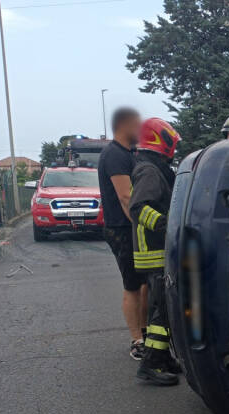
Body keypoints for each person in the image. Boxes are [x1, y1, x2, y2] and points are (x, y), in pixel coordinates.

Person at [129, 118, 183, 386]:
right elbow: (138, 208)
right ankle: (150, 364)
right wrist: (166, 224)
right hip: (155, 252)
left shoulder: (153, 167)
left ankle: (162, 357)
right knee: (161, 310)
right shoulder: (150, 171)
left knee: (163, 307)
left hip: (157, 250)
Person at [98, 107, 147, 360]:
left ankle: (147, 333)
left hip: (132, 228)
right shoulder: (114, 155)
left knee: (146, 284)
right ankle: (137, 340)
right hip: (122, 228)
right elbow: (126, 197)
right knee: (133, 286)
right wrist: (143, 226)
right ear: (123, 126)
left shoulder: (130, 153)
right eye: (136, 125)